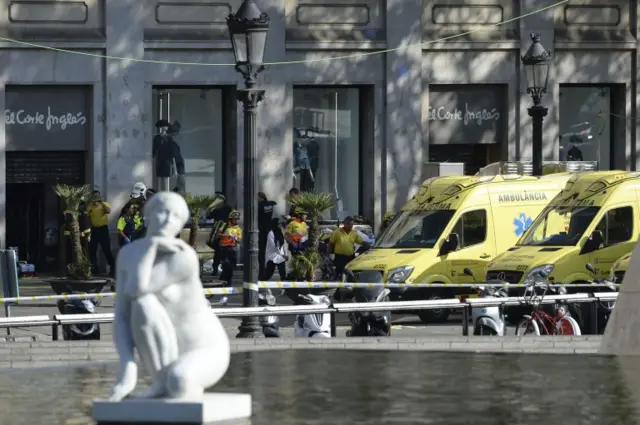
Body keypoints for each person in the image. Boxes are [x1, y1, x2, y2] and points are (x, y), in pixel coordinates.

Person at [109, 191, 230, 401]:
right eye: (163, 212)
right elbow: (121, 315)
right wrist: (128, 366)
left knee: (179, 381)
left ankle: (166, 383)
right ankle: (159, 382)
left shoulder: (183, 256)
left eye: (176, 216)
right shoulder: (127, 255)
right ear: (148, 215)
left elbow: (138, 287)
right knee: (143, 304)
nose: (168, 220)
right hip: (167, 351)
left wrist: (152, 246)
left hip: (205, 347)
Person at [87, 190, 115, 276]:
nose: (96, 198)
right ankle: (94, 268)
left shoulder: (104, 204)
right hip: (94, 229)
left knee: (106, 249)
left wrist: (101, 203)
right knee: (92, 250)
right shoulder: (90, 206)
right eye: (94, 196)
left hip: (103, 229)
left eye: (97, 196)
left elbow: (109, 211)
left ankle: (113, 268)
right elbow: (88, 217)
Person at [207, 192, 234, 276]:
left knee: (225, 251)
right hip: (217, 231)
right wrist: (209, 208)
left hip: (226, 232)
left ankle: (225, 269)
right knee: (218, 252)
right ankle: (215, 269)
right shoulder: (215, 209)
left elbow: (234, 217)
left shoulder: (228, 208)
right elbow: (208, 216)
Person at [216, 210, 243, 286]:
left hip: (232, 249)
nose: (236, 220)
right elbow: (218, 234)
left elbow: (239, 239)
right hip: (223, 249)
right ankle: (225, 281)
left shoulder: (238, 229)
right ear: (230, 219)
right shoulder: (224, 225)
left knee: (231, 267)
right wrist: (226, 235)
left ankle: (226, 281)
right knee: (226, 265)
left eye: (237, 219)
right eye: (235, 219)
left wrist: (234, 237)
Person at [258, 192, 277, 279]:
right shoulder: (271, 204)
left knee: (261, 253)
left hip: (261, 231)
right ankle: (266, 272)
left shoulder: (259, 206)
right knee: (269, 251)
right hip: (270, 230)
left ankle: (262, 273)